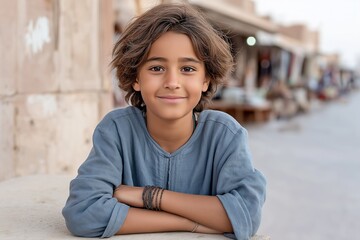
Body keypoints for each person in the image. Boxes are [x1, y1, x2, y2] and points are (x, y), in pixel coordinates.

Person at [62, 3, 266, 240]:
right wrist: (191, 223)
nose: (172, 81)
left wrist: (149, 196)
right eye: (157, 67)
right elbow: (83, 213)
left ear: (206, 80)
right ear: (135, 77)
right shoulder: (117, 130)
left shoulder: (225, 135)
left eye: (188, 68)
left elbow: (247, 215)